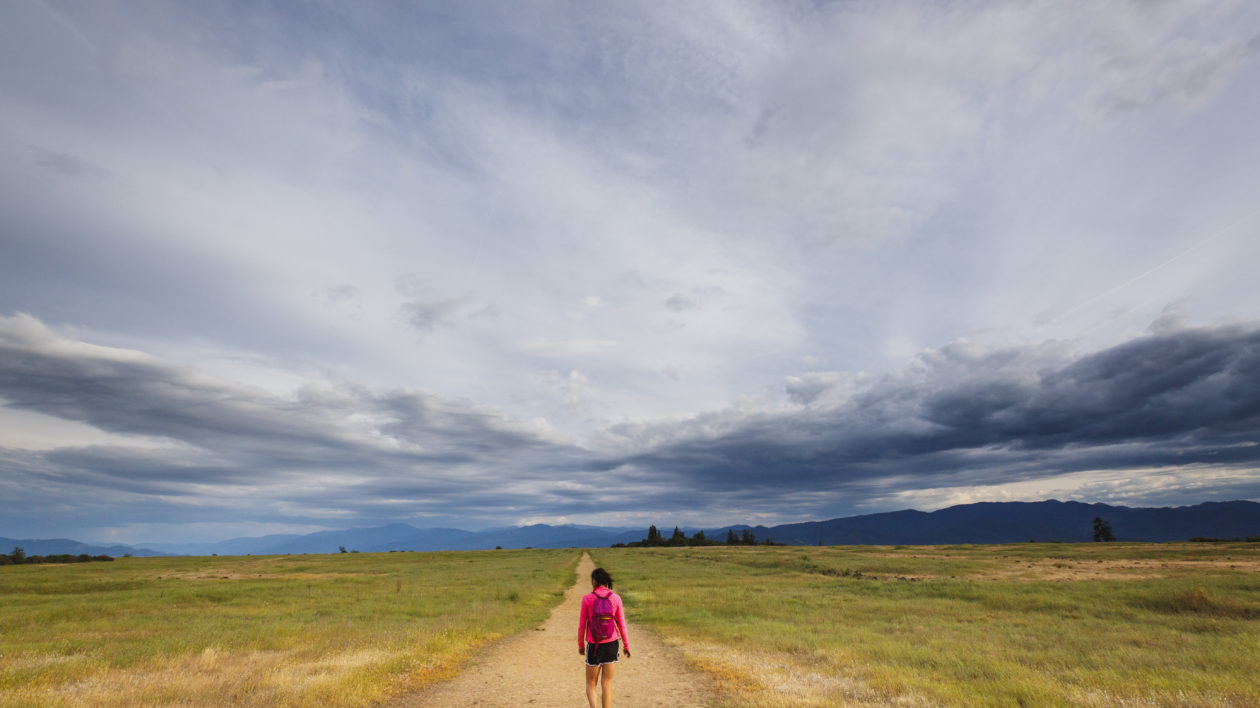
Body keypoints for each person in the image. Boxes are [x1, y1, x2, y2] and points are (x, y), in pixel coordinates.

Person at [578, 567, 630, 708]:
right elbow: (622, 625)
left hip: (594, 645)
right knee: (607, 683)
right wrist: (626, 645)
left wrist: (581, 645)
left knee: (591, 683)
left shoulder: (587, 599)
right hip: (611, 644)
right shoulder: (616, 598)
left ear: (594, 581)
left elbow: (582, 625)